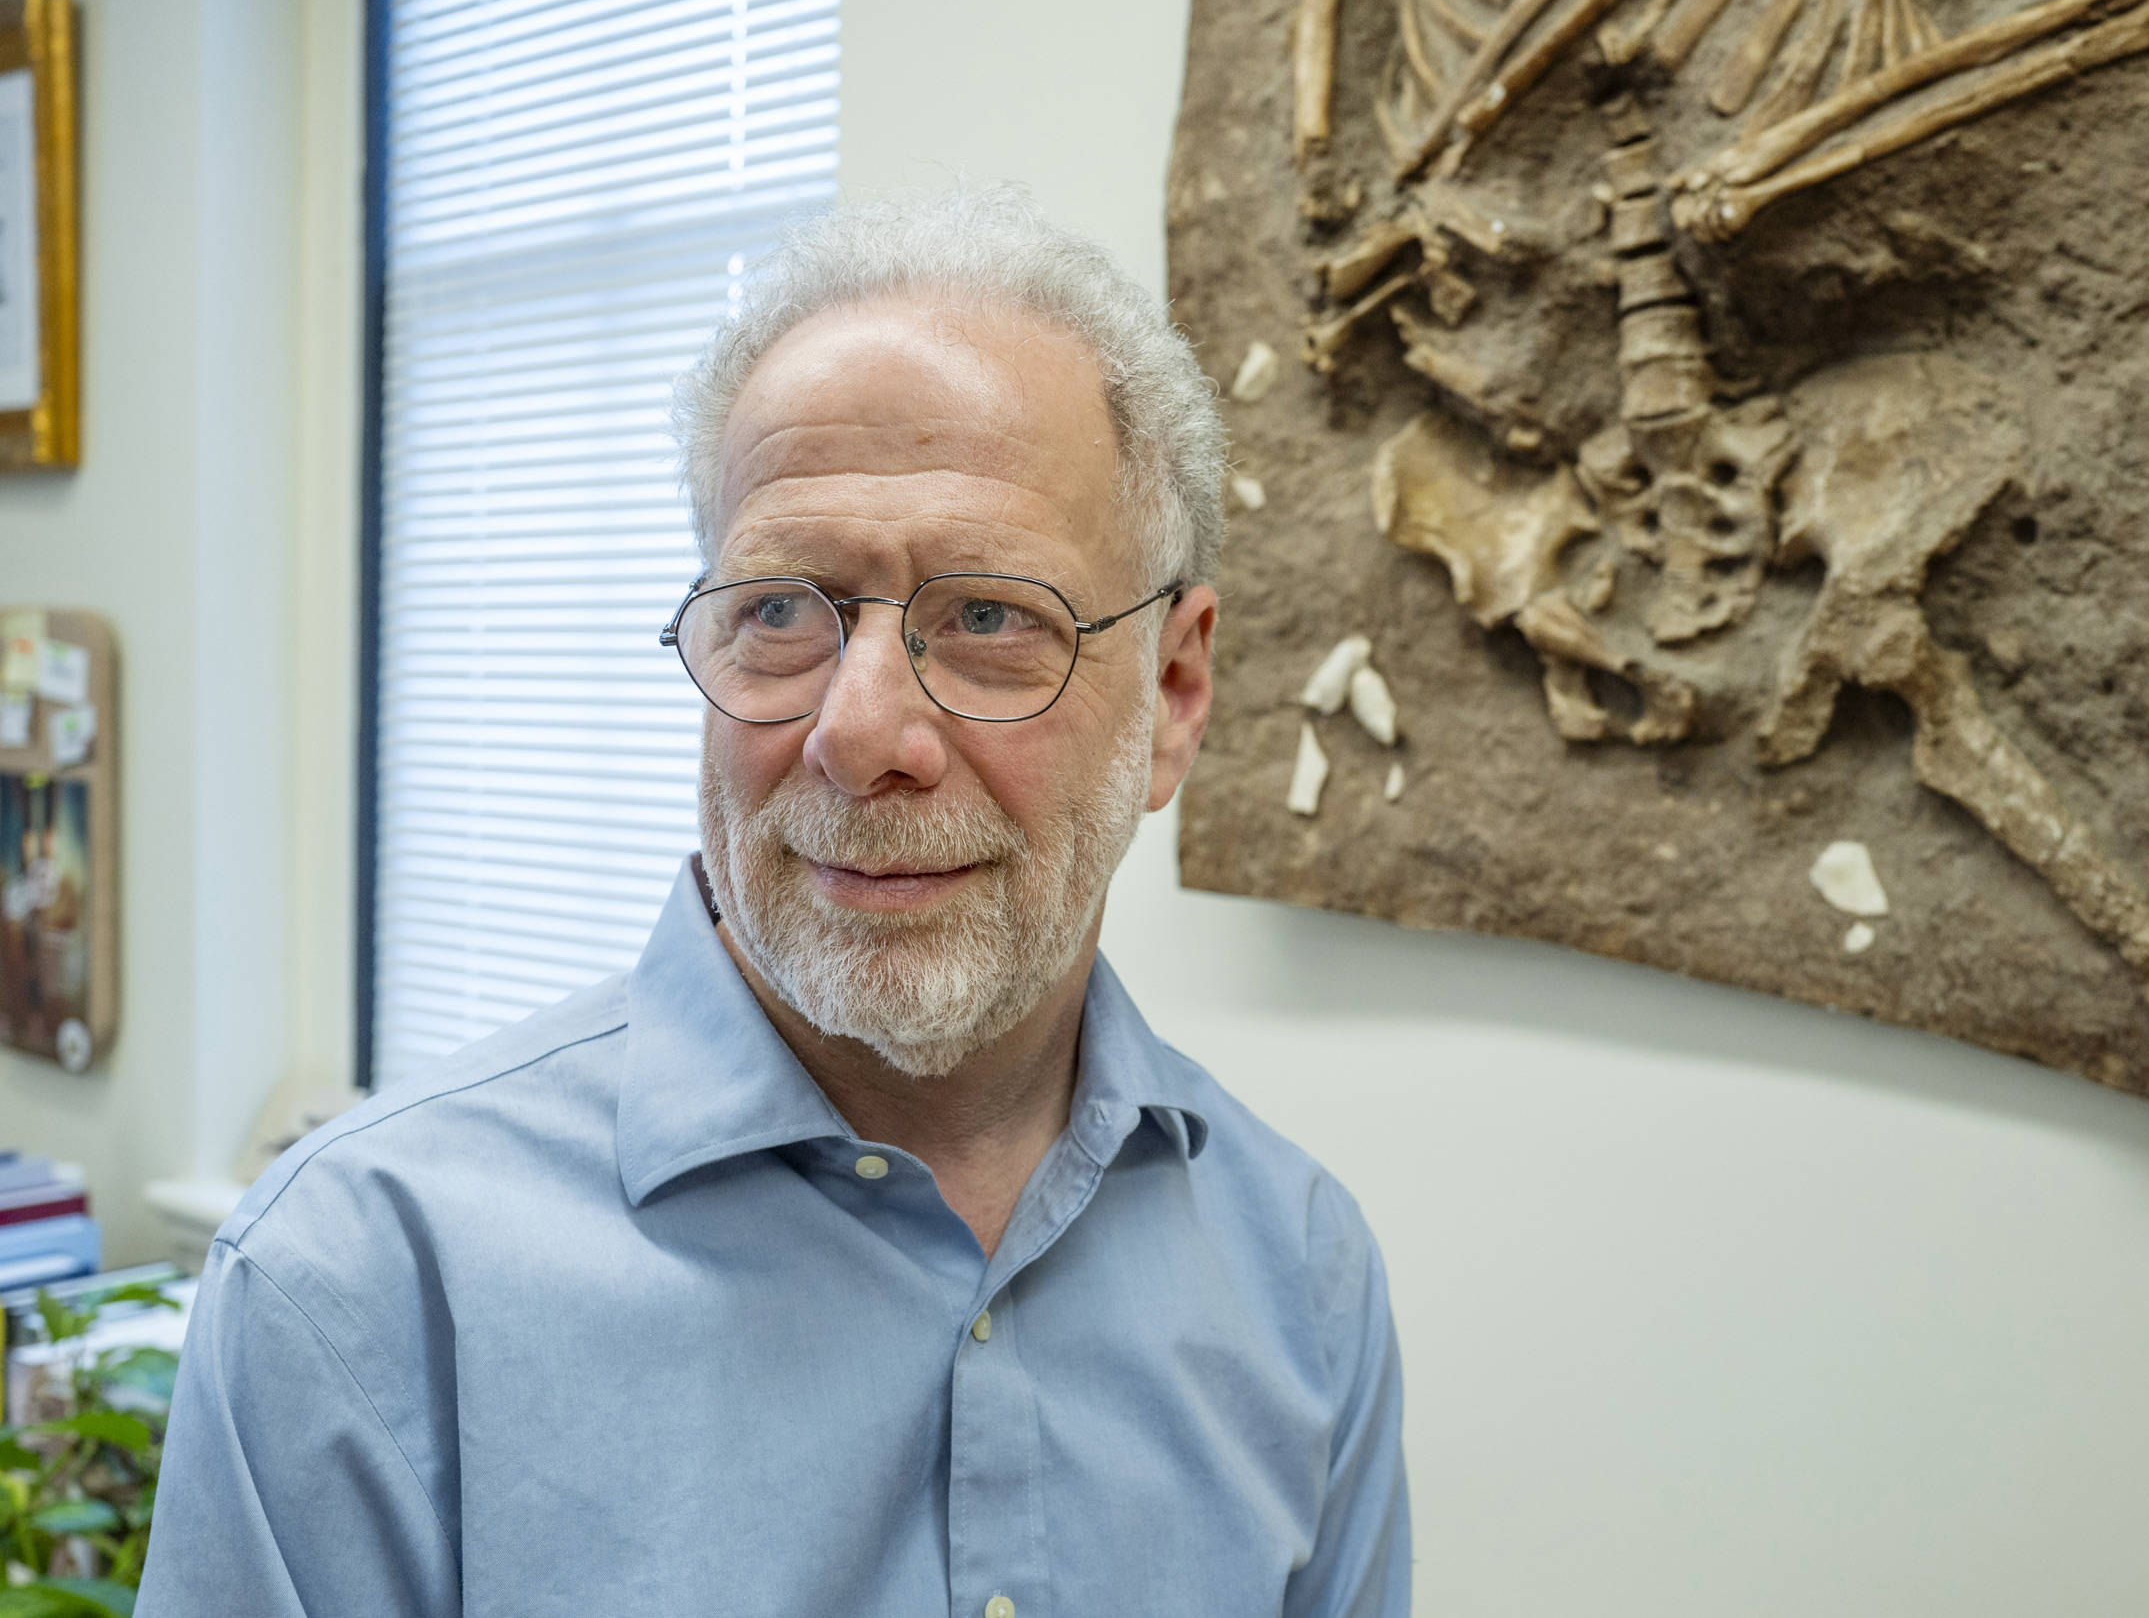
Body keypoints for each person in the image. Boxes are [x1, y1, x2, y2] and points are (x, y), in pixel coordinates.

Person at [139, 190, 1410, 1617]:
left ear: (1175, 692)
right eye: (781, 611)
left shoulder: (1302, 1278)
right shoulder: (360, 1285)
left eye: (990, 617)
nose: (859, 733)